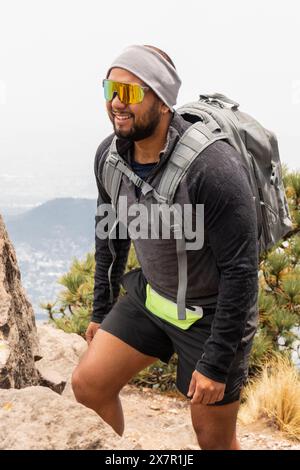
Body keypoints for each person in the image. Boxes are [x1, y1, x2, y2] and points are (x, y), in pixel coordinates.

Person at [71, 45, 259, 450]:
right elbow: (111, 234)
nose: (117, 103)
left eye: (132, 93)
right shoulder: (110, 157)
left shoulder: (213, 168)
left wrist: (216, 361)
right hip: (152, 298)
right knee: (89, 385)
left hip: (211, 314)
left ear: (162, 99)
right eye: (110, 89)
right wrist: (101, 311)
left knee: (212, 439)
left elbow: (242, 273)